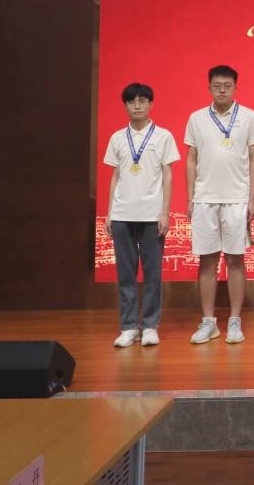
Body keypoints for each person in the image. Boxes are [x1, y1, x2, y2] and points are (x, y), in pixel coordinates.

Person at [184, 65, 254, 345]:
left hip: (237, 199)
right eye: (217, 85)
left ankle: (235, 321)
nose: (222, 90)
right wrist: (191, 197)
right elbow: (191, 158)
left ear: (235, 88)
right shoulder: (196, 118)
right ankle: (208, 322)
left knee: (235, 260)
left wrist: (252, 198)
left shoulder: (249, 117)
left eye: (227, 86)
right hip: (205, 198)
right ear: (209, 87)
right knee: (207, 260)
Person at [102, 83, 180, 348]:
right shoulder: (117, 138)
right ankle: (128, 327)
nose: (137, 106)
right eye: (132, 101)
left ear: (151, 104)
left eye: (142, 101)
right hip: (122, 214)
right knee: (125, 273)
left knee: (152, 274)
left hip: (151, 215)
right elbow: (115, 176)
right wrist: (110, 213)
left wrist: (165, 212)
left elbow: (168, 175)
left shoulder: (163, 136)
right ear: (125, 106)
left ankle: (149, 326)